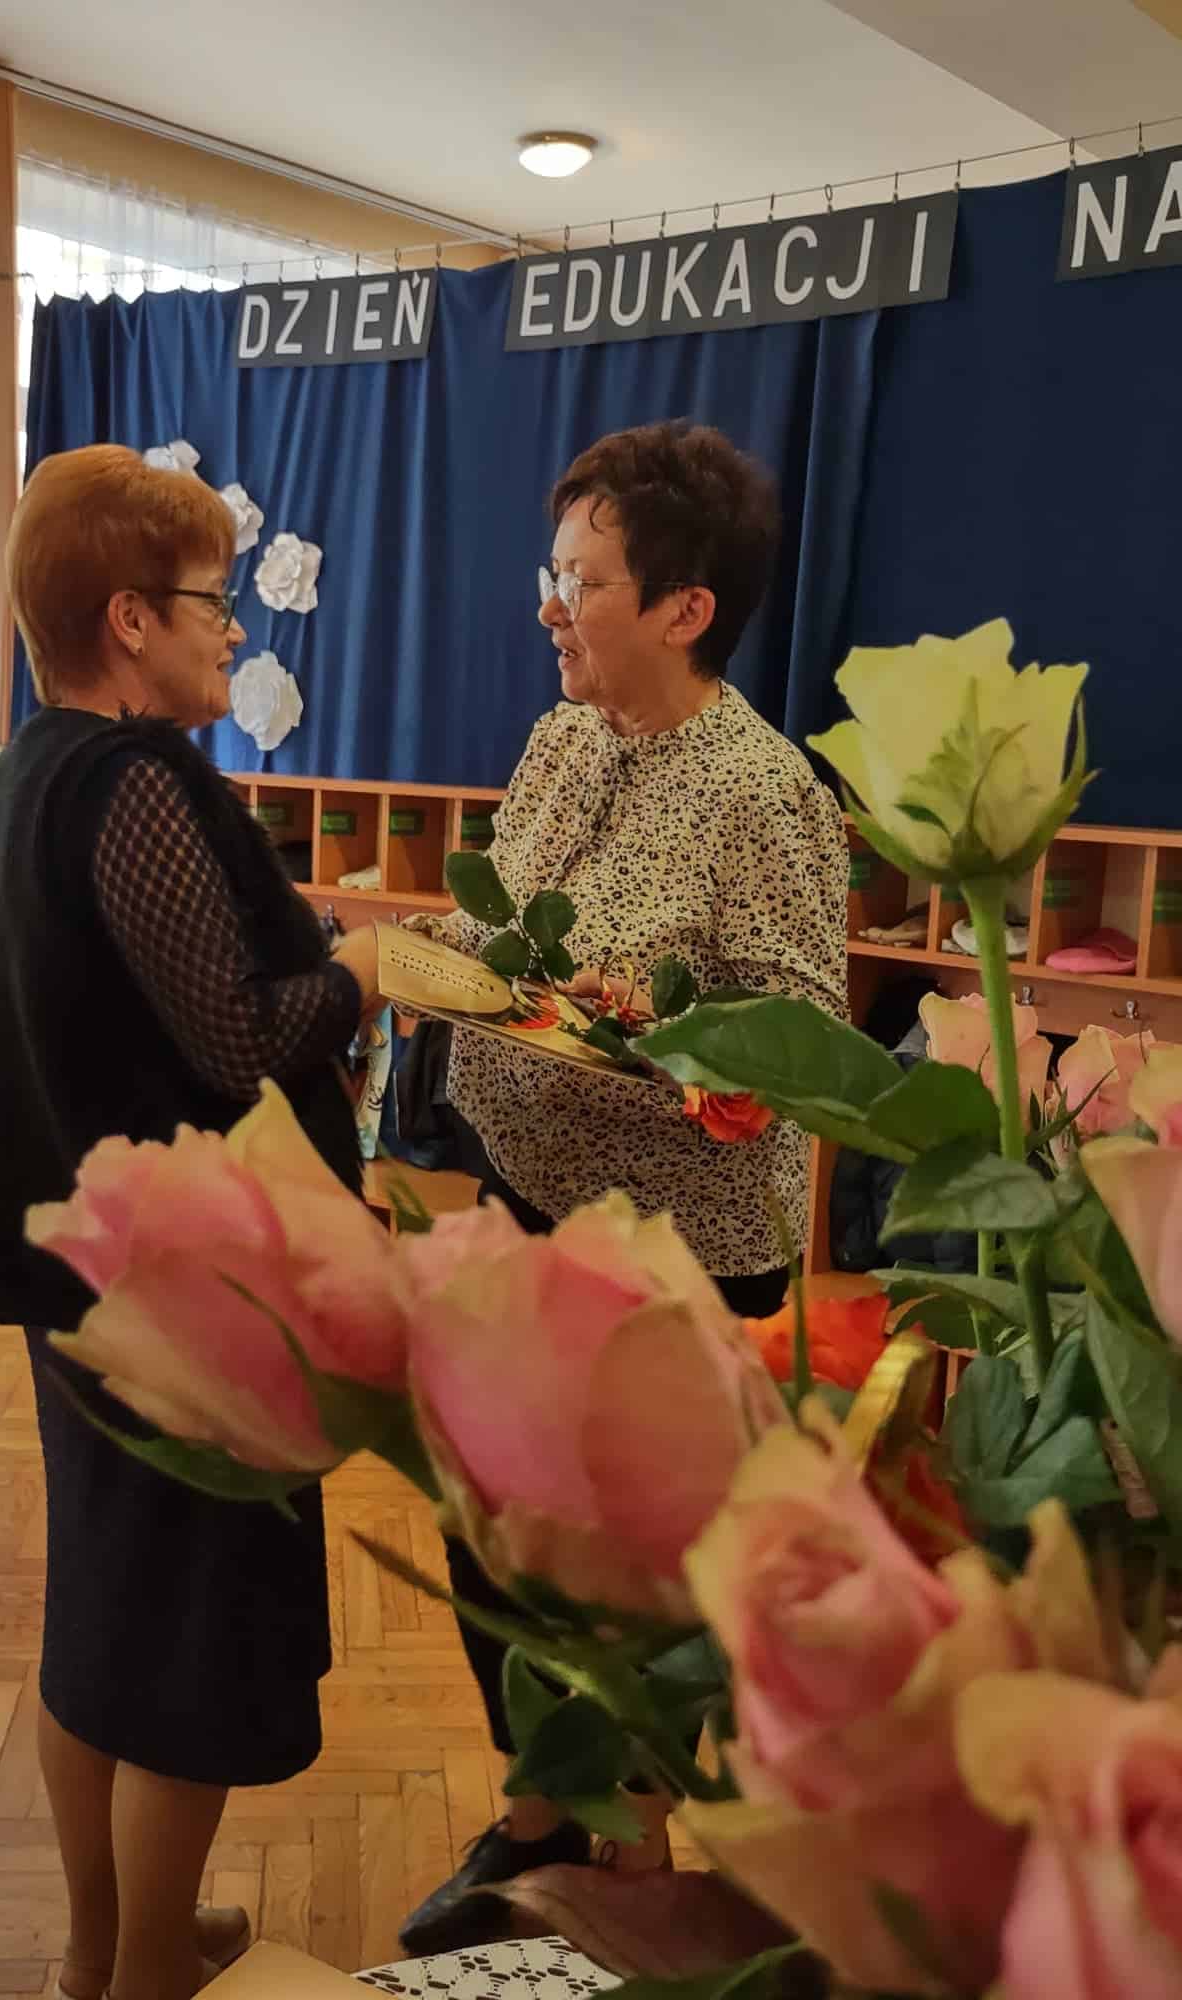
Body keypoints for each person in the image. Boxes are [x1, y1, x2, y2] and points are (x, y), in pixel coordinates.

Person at [399, 420, 849, 1953]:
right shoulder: (558, 740)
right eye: (554, 570)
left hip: (678, 1255)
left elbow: (803, 1040)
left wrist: (653, 1025)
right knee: (492, 1525)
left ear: (683, 608)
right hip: (519, 1194)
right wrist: (415, 956)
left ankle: (636, 1863)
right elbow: (497, 930)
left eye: (582, 579)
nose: (550, 603)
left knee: (636, 1575)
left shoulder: (764, 791)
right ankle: (537, 1816)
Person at [0, 446, 379, 2000]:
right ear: (130, 620)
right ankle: (147, 1975)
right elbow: (235, 1034)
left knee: (103, 1627)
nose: (235, 628)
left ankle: (101, 1948)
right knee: (185, 1652)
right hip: (182, 1294)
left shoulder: (27, 769)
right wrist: (363, 975)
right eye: (213, 600)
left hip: (85, 1275)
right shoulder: (135, 777)